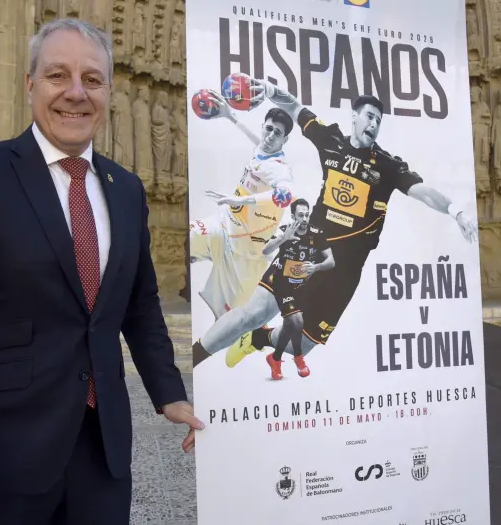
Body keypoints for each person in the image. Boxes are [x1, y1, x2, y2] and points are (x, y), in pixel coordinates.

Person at [0, 19, 202, 525]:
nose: (76, 94)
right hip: (4, 458)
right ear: (30, 84)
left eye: (93, 79)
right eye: (58, 75)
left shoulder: (125, 188)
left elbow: (140, 303)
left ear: (110, 90)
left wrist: (168, 392)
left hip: (102, 455)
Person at [217, 79, 479, 366]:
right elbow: (294, 106)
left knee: (301, 346)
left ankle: (257, 339)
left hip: (345, 272)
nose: (374, 124)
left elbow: (424, 193)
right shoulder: (331, 139)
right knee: (255, 313)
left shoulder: (387, 165)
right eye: (369, 116)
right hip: (310, 248)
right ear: (354, 116)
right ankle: (232, 336)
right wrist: (268, 90)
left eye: (379, 120)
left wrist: (456, 211)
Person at [191, 198, 333, 379]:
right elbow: (267, 249)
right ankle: (194, 356)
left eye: (306, 215)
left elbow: (331, 261)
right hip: (289, 272)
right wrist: (283, 238)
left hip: (336, 270)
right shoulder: (294, 229)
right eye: (301, 215)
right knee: (254, 316)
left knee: (305, 343)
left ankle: (259, 337)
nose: (304, 218)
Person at [188, 90, 296, 320]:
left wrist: (242, 200)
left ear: (284, 140)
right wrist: (229, 116)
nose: (270, 135)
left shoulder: (279, 168)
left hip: (245, 253)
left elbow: (286, 194)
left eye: (277, 133)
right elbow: (258, 143)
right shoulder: (264, 150)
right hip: (224, 227)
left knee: (226, 322)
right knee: (188, 238)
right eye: (268, 128)